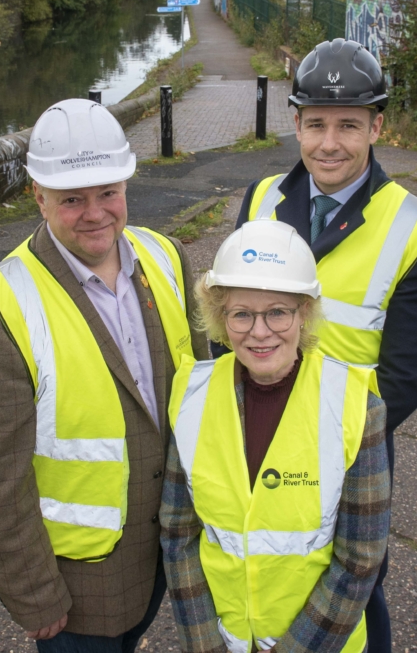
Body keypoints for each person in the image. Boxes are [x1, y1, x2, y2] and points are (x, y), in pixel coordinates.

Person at [0, 98, 208, 652]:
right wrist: (33, 593)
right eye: (71, 200)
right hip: (77, 587)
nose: (95, 213)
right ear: (38, 197)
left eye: (109, 193)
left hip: (169, 548)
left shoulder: (166, 257)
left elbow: (200, 391)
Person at [236, 39, 417, 653]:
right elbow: (229, 328)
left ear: (377, 126)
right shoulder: (259, 202)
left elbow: (405, 379)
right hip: (252, 435)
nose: (328, 143)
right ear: (297, 124)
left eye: (348, 126)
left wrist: (319, 440)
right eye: (315, 125)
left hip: (351, 452)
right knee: (261, 579)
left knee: (353, 594)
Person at [162, 219, 390, 653]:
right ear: (219, 315)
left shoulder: (357, 406)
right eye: (242, 313)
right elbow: (178, 537)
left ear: (304, 312)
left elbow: (360, 561)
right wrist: (205, 644)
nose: (260, 331)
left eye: (278, 312)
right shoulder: (190, 396)